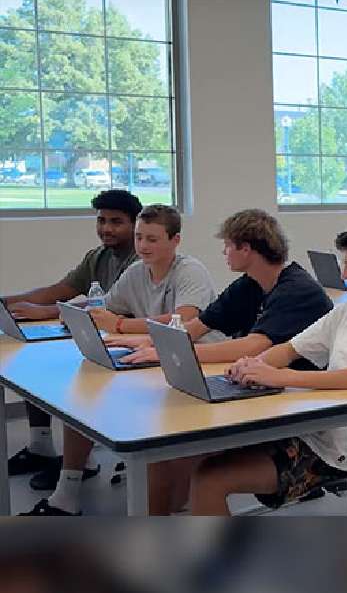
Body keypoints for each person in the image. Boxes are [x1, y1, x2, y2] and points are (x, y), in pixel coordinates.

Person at [143, 221, 347, 515]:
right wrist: (254, 365)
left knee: (210, 479)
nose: (345, 274)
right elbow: (291, 348)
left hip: (344, 444)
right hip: (309, 425)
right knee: (171, 452)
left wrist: (282, 376)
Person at [23, 204, 220, 515]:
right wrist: (71, 314)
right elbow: (106, 306)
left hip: (197, 361)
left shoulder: (190, 271)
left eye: (153, 239)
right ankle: (67, 491)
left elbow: (183, 320)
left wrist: (120, 326)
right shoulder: (136, 270)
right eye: (140, 238)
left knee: (172, 498)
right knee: (83, 390)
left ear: (175, 240)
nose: (143, 246)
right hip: (149, 355)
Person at [2, 190, 142, 489]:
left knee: (74, 382)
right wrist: (6, 302)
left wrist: (46, 311)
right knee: (35, 364)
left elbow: (107, 305)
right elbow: (60, 289)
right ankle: (42, 447)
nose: (106, 228)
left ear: (135, 224)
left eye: (116, 222)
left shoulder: (140, 261)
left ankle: (79, 465)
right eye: (102, 220)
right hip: (97, 336)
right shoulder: (98, 256)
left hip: (124, 342)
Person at [114, 208, 333, 367]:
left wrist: (168, 353)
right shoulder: (249, 284)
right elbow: (196, 326)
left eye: (227, 245)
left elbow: (253, 346)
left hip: (301, 392)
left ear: (245, 249)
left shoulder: (297, 291)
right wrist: (150, 341)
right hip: (264, 379)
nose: (224, 252)